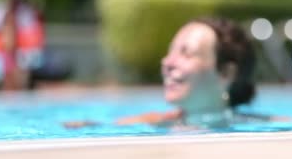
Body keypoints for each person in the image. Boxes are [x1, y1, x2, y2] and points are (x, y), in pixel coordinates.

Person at [65, 17, 278, 129]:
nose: (167, 62)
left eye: (186, 53)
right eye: (170, 51)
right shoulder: (150, 122)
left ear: (226, 74)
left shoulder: (259, 127)